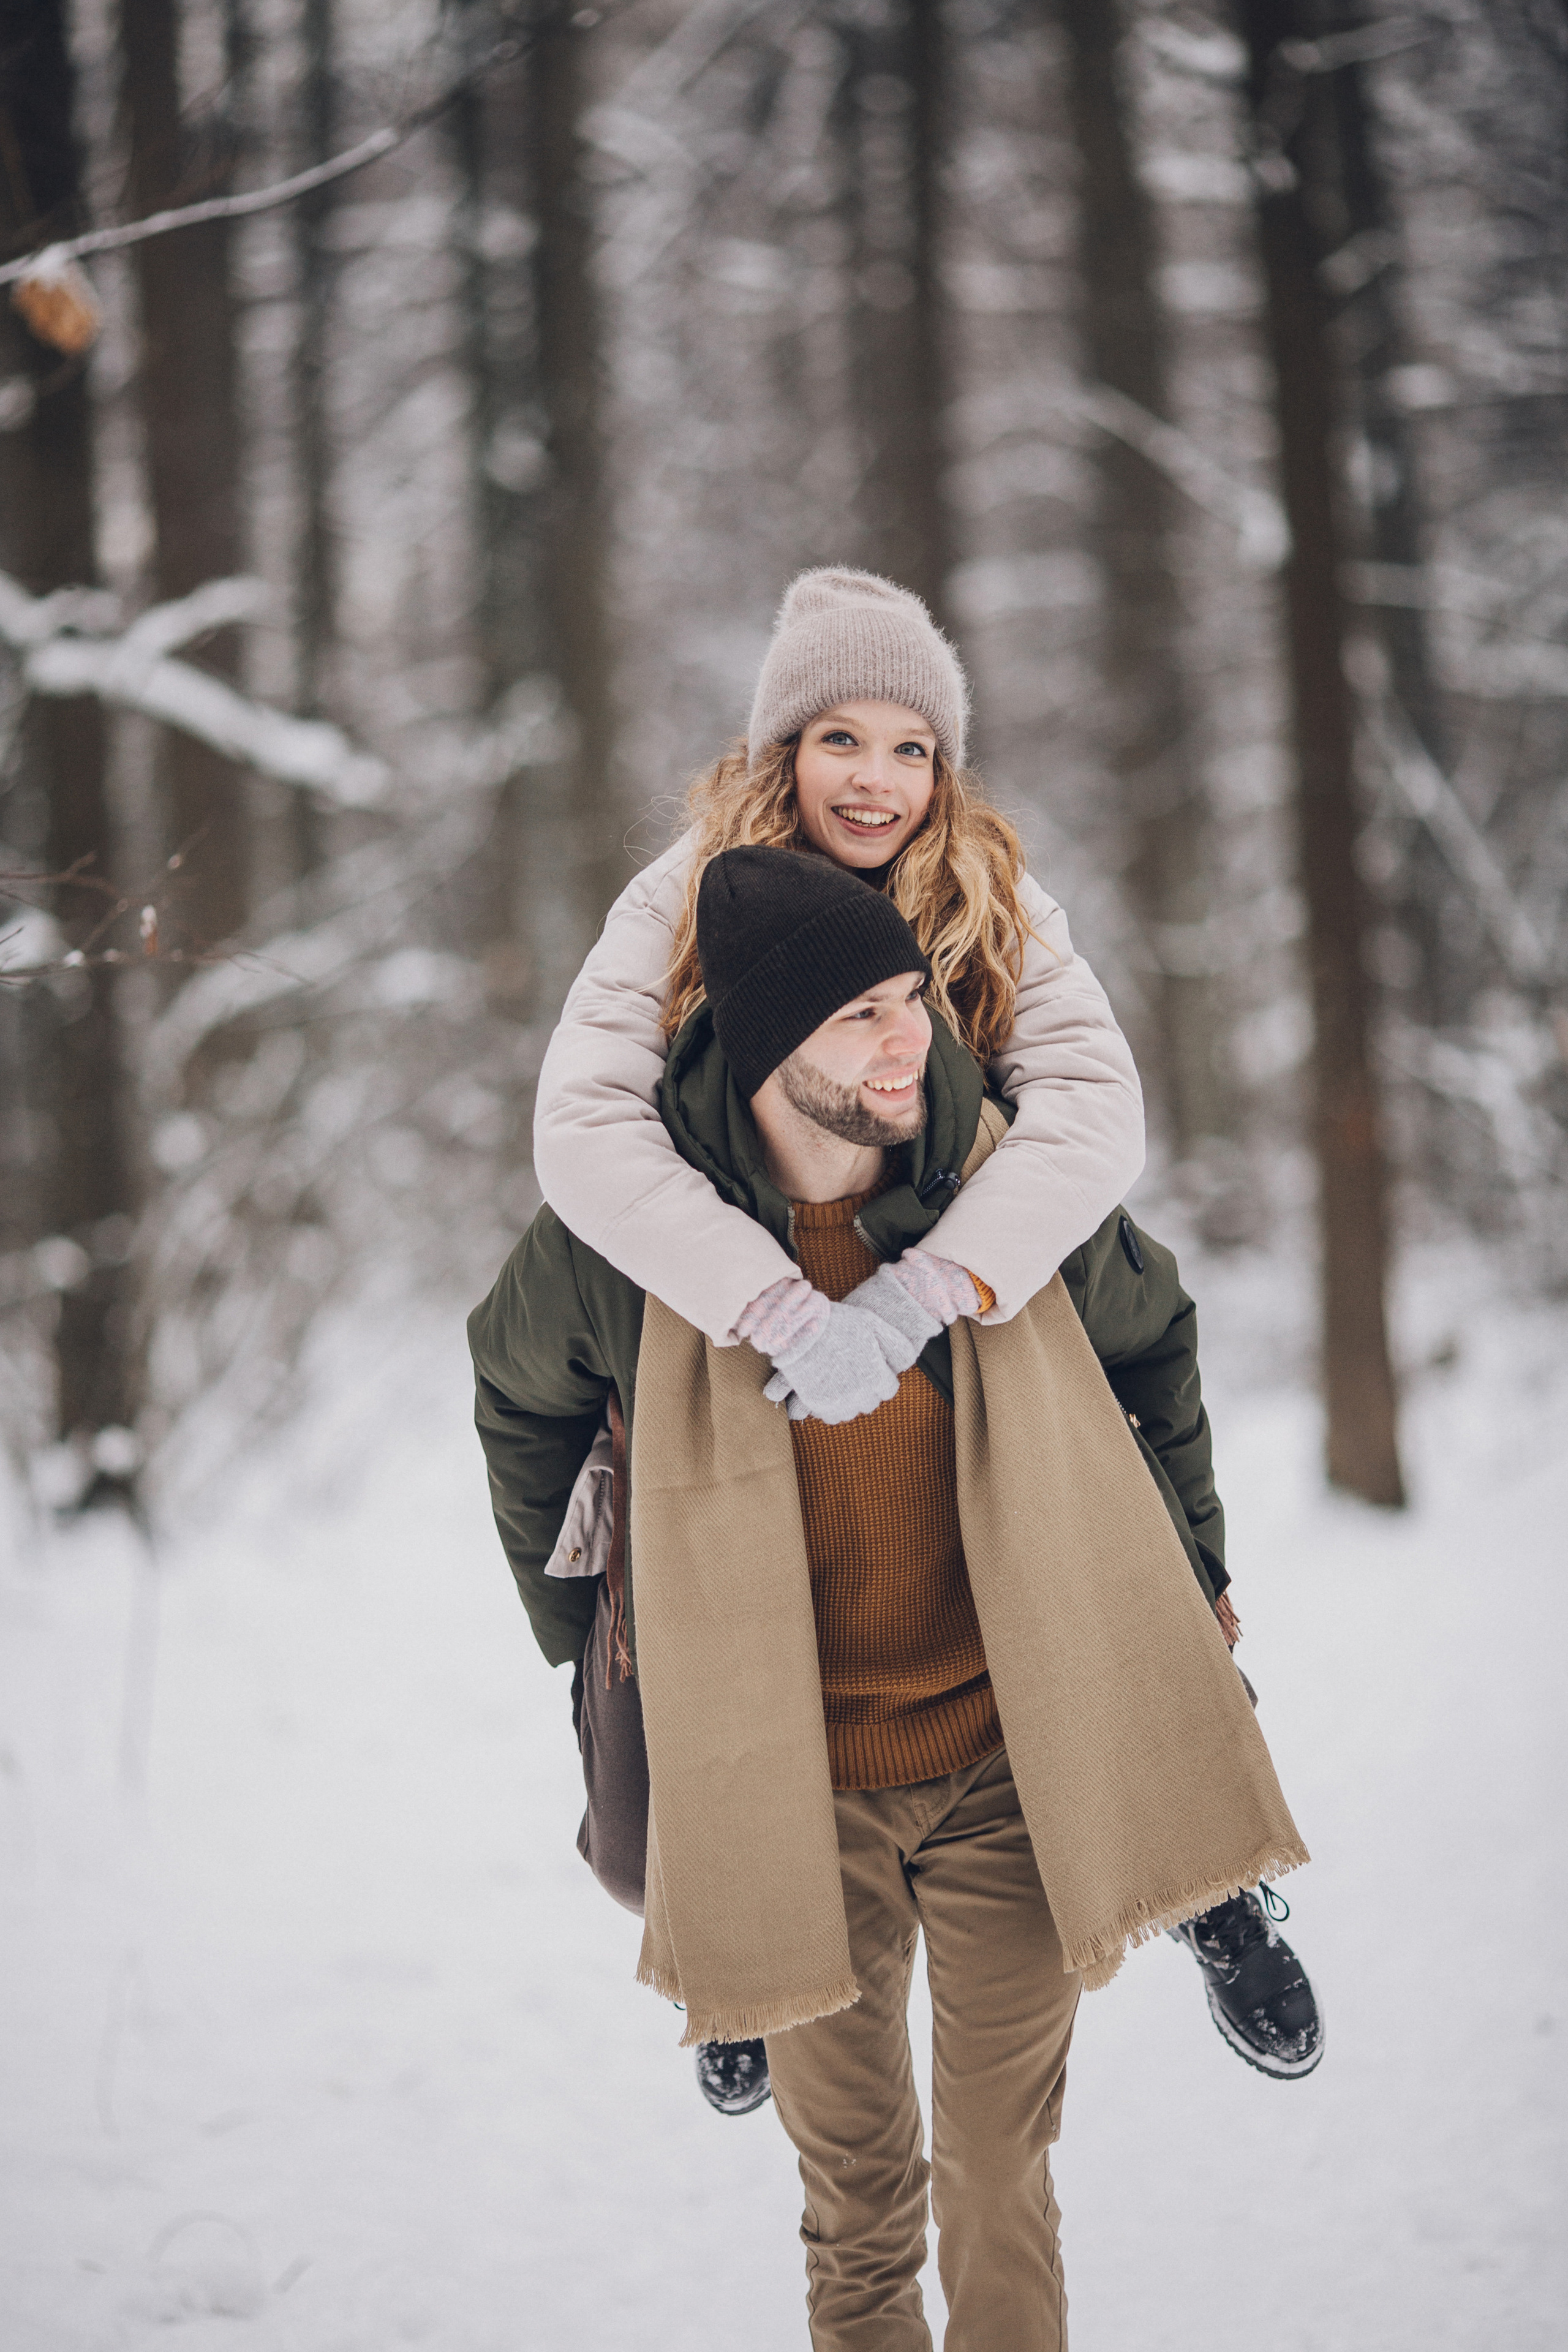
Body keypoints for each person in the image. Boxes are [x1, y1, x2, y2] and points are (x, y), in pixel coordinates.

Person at [470, 847, 1314, 2348]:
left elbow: (1151, 1336)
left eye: (910, 999)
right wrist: (589, 1636)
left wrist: (1195, 1570)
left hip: (1000, 1766)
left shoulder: (992, 1195)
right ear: (764, 1052)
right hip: (787, 1788)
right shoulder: (628, 1245)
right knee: (856, 2205)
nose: (907, 1039)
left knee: (997, 2176)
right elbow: (516, 1393)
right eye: (858, 1015)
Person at [526, 566, 1322, 2104]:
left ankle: (1210, 1882)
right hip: (740, 1286)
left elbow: (1092, 1107)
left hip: (968, 1269)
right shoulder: (680, 894)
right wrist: (762, 1294)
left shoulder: (993, 890)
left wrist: (930, 1287)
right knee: (713, 1610)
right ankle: (739, 1946)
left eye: (910, 747)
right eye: (840, 738)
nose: (875, 781)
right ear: (780, 750)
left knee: (1106, 1515)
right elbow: (580, 1124)